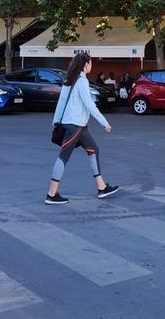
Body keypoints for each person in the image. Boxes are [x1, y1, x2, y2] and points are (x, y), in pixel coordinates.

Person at [46, 52, 118, 205]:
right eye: (91, 63)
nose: (91, 65)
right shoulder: (82, 81)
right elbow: (89, 105)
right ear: (85, 65)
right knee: (63, 157)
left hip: (78, 125)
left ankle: (102, 187)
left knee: (93, 150)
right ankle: (51, 194)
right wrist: (104, 122)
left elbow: (61, 102)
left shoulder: (70, 79)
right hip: (75, 125)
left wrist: (56, 122)